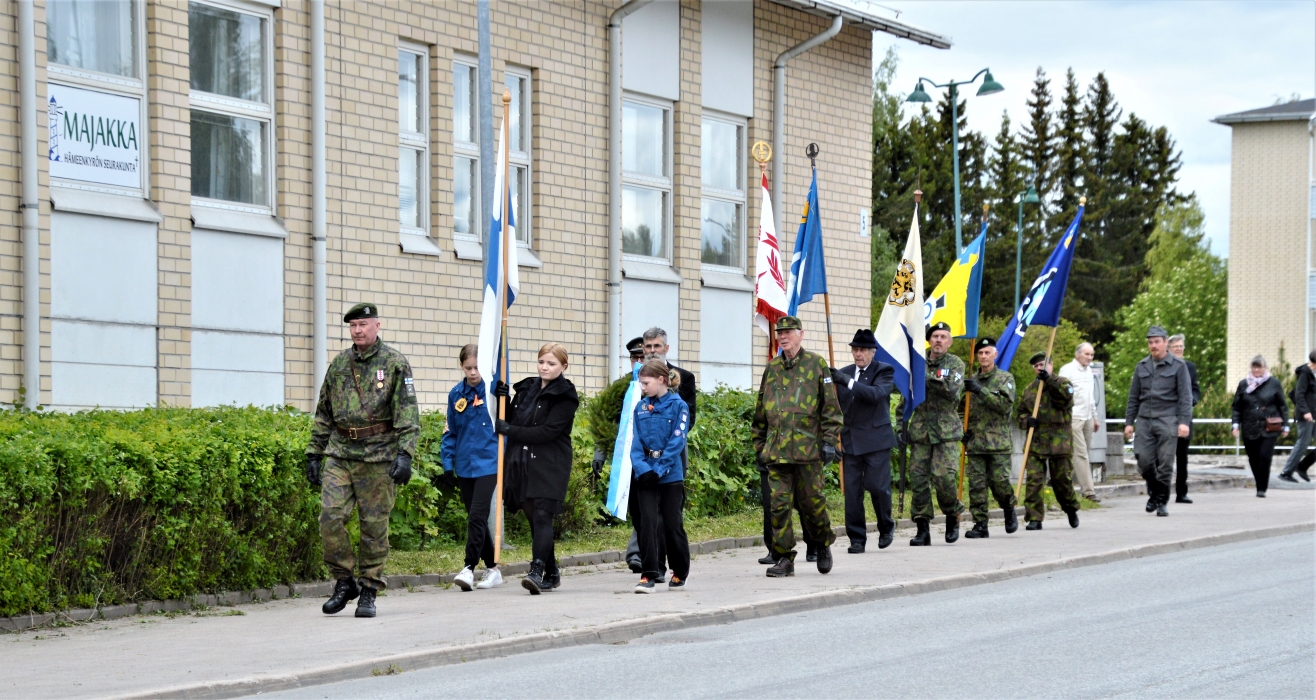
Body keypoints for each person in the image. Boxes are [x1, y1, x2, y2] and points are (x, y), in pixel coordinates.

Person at [305, 303, 419, 618]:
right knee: (329, 517)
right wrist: (314, 453)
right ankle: (344, 581)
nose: (358, 331)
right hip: (340, 453)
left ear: (377, 326)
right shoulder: (340, 364)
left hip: (379, 456)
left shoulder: (395, 363)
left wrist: (405, 454)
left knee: (373, 526)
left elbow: (408, 414)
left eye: (363, 324)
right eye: (353, 325)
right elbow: (323, 412)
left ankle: (369, 589)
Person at [751, 316, 843, 577]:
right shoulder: (772, 369)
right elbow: (760, 412)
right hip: (777, 453)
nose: (783, 336)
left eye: (788, 332)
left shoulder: (816, 364)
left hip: (808, 453)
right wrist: (760, 446)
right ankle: (784, 558)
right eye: (779, 333)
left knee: (812, 505)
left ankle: (823, 543)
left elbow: (831, 409)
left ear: (801, 334)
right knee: (778, 507)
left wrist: (829, 442)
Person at [493, 343, 580, 594]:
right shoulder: (527, 388)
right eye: (542, 362)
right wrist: (503, 398)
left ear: (563, 366)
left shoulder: (566, 395)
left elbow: (548, 431)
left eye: (551, 364)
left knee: (543, 515)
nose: (545, 367)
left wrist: (510, 431)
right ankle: (552, 572)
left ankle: (537, 571)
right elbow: (512, 418)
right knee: (534, 518)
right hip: (522, 461)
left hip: (551, 462)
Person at [624, 328, 696, 575]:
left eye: (656, 346)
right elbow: (632, 436)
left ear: (666, 348)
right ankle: (652, 570)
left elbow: (682, 432)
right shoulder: (636, 392)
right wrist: (643, 468)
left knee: (671, 522)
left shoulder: (682, 384)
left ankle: (679, 568)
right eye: (648, 346)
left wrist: (661, 465)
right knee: (646, 521)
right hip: (644, 469)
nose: (652, 350)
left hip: (670, 466)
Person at [442, 344, 503, 591]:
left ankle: (468, 568)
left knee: (477, 516)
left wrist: (504, 396)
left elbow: (508, 421)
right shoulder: (456, 393)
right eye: (468, 368)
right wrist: (447, 464)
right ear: (461, 367)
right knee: (475, 518)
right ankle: (493, 569)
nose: (473, 372)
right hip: (465, 465)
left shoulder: (493, 390)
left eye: (477, 367)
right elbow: (451, 431)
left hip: (489, 463)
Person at [830, 329, 896, 553]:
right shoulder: (844, 373)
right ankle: (856, 538)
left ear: (872, 352)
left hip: (876, 441)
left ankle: (886, 526)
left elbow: (875, 394)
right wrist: (832, 440)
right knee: (852, 492)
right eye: (855, 350)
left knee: (877, 487)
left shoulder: (884, 370)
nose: (858, 354)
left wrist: (847, 382)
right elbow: (833, 408)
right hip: (850, 441)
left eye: (863, 350)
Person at [902, 321, 966, 546]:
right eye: (935, 336)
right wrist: (902, 423)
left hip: (946, 431)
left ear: (949, 342)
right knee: (918, 480)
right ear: (929, 340)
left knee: (944, 477)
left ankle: (951, 515)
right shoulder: (917, 361)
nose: (938, 340)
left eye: (943, 336)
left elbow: (951, 391)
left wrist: (925, 376)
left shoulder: (956, 363)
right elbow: (906, 392)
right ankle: (922, 529)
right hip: (920, 430)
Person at [1124, 325, 1193, 517]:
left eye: (1157, 342)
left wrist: (1184, 422)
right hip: (1145, 420)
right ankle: (1155, 492)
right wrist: (1129, 422)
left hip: (1168, 420)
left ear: (1165, 343)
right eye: (1150, 342)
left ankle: (1161, 501)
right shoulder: (1142, 366)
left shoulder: (1179, 367)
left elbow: (1185, 397)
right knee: (1143, 460)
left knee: (1165, 464)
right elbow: (1133, 396)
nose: (1153, 345)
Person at [1016, 352, 1081, 530]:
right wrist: (1026, 421)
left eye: (1043, 365)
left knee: (1062, 482)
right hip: (1036, 442)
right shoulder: (1029, 390)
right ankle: (1034, 518)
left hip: (1059, 442)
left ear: (1051, 365)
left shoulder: (1063, 384)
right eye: (1036, 366)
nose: (1040, 368)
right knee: (1034, 481)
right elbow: (1020, 413)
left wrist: (1050, 380)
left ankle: (1070, 509)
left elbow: (1066, 399)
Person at [962, 337, 1019, 538]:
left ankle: (1009, 509)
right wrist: (963, 428)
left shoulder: (1005, 378)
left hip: (998, 443)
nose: (984, 356)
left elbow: (1004, 405)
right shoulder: (970, 381)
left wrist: (981, 390)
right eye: (980, 353)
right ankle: (980, 524)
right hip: (976, 442)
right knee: (977, 485)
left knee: (1000, 482)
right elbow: (962, 408)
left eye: (987, 352)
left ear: (995, 355)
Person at [1231, 355, 1289, 497]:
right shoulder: (1244, 384)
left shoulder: (1273, 383)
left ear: (1265, 368)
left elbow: (1282, 405)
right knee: (1253, 458)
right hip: (1250, 427)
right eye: (1254, 367)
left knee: (1265, 457)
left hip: (1269, 427)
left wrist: (1286, 425)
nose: (1256, 370)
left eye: (1259, 367)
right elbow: (1236, 407)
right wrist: (1235, 424)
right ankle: (1259, 482)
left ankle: (1262, 488)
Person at [1057, 342, 1102, 502]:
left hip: (1087, 417)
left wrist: (1095, 417)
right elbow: (1060, 395)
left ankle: (1059, 482)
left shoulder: (1089, 371)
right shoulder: (1067, 370)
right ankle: (1089, 492)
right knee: (1081, 454)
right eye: (1086, 354)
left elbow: (1090, 397)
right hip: (1074, 417)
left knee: (1081, 454)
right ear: (1078, 354)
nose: (1089, 358)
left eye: (1091, 355)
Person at [1167, 334, 1201, 503]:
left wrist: (1192, 400)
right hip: (1166, 416)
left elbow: (1196, 389)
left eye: (1181, 346)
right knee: (1163, 457)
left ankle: (1181, 492)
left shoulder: (1190, 367)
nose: (1179, 349)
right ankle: (1161, 491)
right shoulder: (1164, 366)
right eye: (1176, 346)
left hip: (1183, 417)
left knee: (1182, 457)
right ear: (1168, 349)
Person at [1279, 350, 1316, 483]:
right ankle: (1286, 472)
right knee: (1302, 444)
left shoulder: (1312, 374)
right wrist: (1306, 411)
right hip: (1305, 416)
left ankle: (1303, 466)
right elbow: (1299, 394)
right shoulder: (1305, 373)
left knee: (1303, 444)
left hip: (1314, 415)